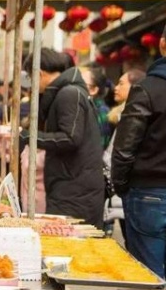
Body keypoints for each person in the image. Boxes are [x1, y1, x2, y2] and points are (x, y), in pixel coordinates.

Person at [112, 11, 166, 290]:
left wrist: (123, 187)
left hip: (150, 194)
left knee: (148, 288)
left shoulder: (150, 88)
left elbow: (124, 149)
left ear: (163, 44)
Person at [21, 48, 104, 228]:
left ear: (39, 73)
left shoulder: (69, 94)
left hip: (75, 191)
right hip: (70, 186)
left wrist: (30, 137)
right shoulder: (65, 92)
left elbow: (70, 138)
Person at [102, 69, 146, 241]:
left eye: (121, 83)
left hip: (128, 190)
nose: (116, 88)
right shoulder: (117, 115)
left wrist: (119, 185)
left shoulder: (130, 116)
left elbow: (119, 153)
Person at [81, 66, 112, 149]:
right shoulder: (87, 106)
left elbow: (100, 144)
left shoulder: (101, 111)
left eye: (81, 83)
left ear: (94, 90)